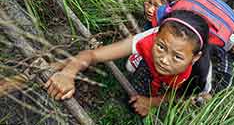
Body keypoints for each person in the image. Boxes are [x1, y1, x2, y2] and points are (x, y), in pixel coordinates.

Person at [44, 10, 209, 117]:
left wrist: (152, 102)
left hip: (183, 83)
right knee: (141, 79)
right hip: (153, 63)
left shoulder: (199, 74)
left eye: (177, 57)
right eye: (160, 47)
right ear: (156, 36)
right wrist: (68, 72)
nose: (164, 60)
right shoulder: (146, 40)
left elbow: (184, 95)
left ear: (194, 58)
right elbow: (93, 55)